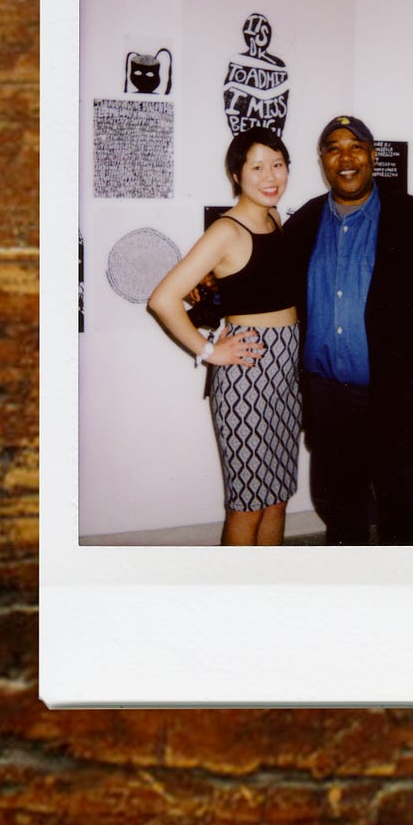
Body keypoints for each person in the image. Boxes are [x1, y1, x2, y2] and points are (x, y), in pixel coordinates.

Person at [279, 114, 413, 546]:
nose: (345, 158)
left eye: (356, 147)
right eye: (333, 149)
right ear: (323, 161)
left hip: (400, 398)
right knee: (339, 512)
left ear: (372, 155)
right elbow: (271, 286)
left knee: (406, 515)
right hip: (328, 401)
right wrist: (211, 293)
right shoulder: (304, 222)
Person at [146, 128, 302, 546]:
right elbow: (163, 299)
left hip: (286, 374)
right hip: (247, 375)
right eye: (257, 167)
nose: (270, 176)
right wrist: (208, 351)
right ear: (237, 175)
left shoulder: (274, 218)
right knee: (248, 503)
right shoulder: (227, 232)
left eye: (278, 165)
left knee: (277, 497)